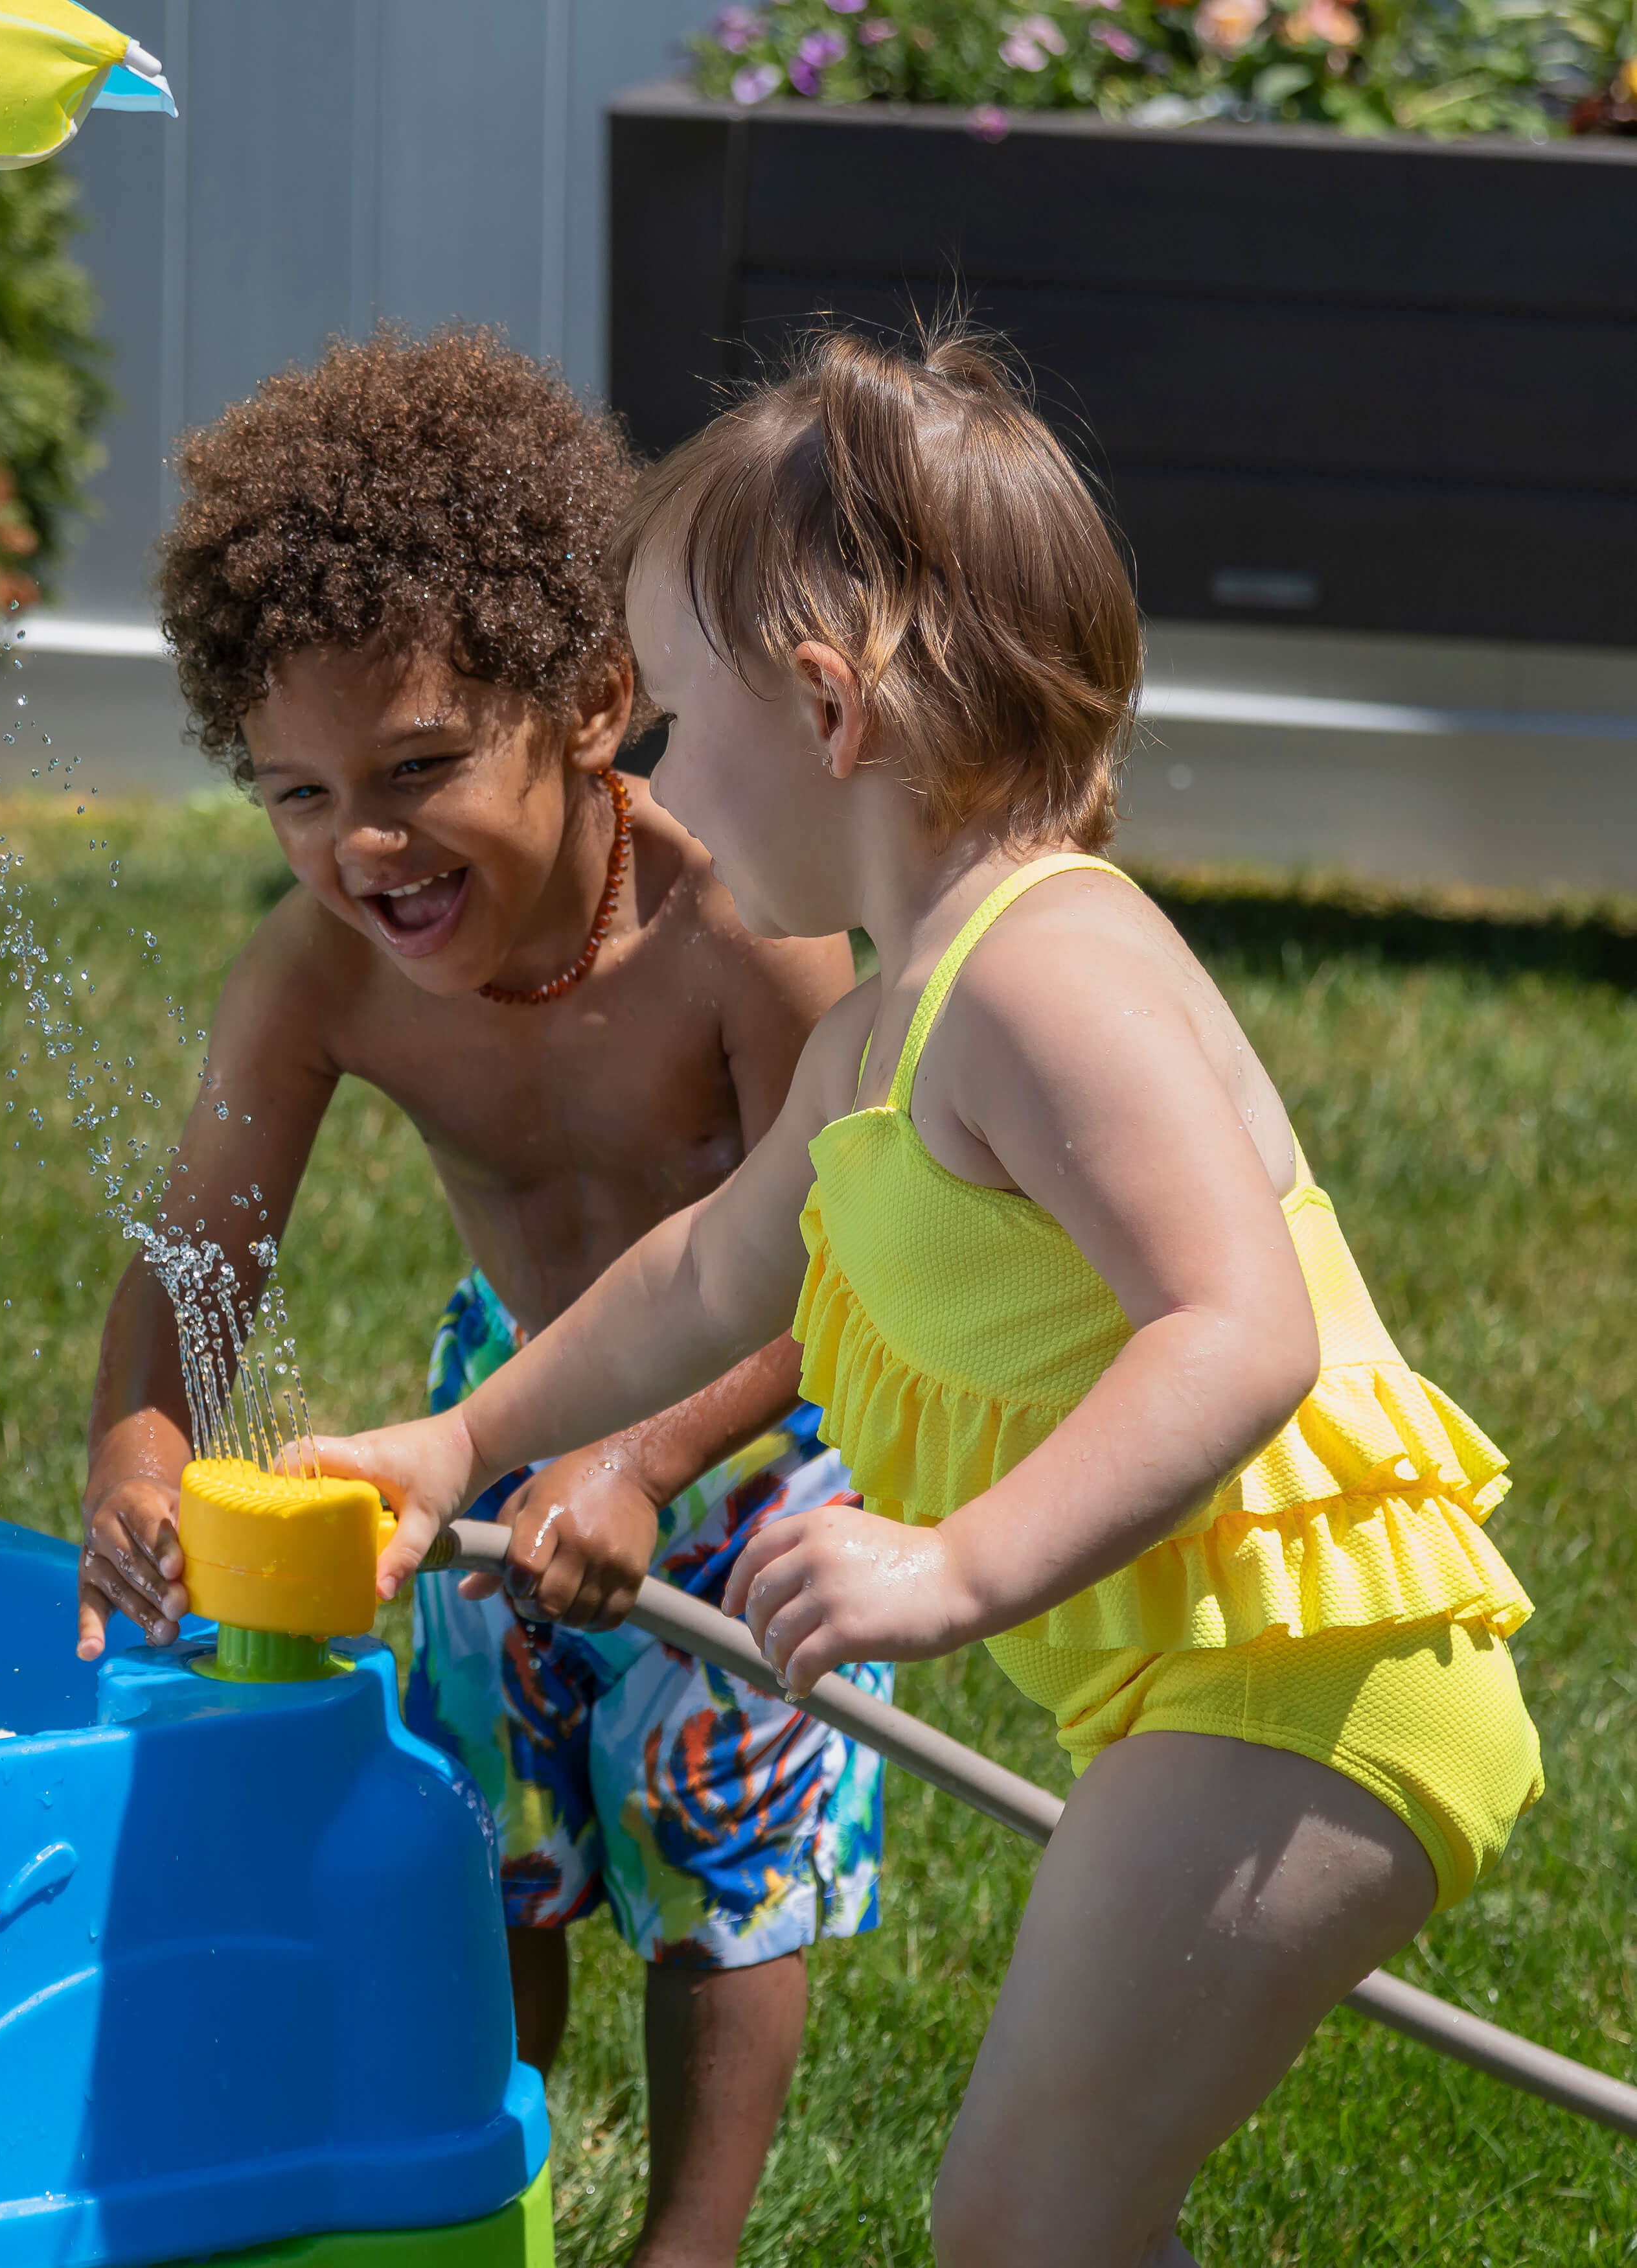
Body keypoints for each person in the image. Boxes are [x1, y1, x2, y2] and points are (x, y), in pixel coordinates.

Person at [308, 325, 1544, 2268]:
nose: (654, 779)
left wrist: (952, 1566)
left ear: (824, 710)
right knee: (1062, 2224)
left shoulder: (1049, 969)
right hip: (1217, 1689)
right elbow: (710, 1270)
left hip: (1316, 1683)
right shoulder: (888, 1016)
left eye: (671, 726)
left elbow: (1235, 1326)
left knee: (1017, 2229)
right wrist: (457, 1436)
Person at [74, 329, 892, 2268]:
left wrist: (646, 1457)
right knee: (482, 1820)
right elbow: (198, 1261)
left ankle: (680, 2249)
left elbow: (833, 1266)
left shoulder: (738, 936)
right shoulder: (318, 973)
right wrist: (137, 1433)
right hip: (508, 1410)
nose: (359, 842)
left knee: (715, 1835)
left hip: (755, 1430)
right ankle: (469, 2174)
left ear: (593, 701)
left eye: (419, 766)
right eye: (294, 792)